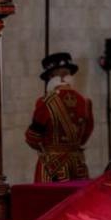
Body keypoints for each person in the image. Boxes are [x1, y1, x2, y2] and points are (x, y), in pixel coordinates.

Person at [25, 52, 94, 182]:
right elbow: (85, 136)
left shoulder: (45, 102)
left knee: (51, 201)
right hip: (78, 166)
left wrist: (47, 148)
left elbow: (32, 137)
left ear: (52, 77)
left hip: (52, 169)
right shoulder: (85, 102)